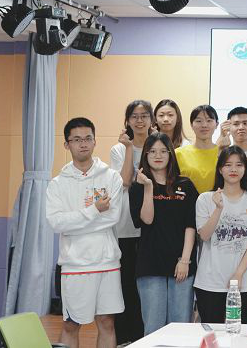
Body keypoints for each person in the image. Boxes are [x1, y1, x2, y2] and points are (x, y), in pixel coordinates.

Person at [47, 118, 124, 348]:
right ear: (67, 144)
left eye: (88, 138)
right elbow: (57, 223)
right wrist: (94, 210)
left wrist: (76, 221)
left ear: (94, 141)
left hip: (108, 262)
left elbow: (113, 217)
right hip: (75, 265)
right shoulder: (57, 184)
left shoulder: (111, 177)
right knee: (71, 325)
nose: (83, 144)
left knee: (107, 322)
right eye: (77, 139)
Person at [129, 132, 198, 335]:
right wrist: (148, 187)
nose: (158, 156)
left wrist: (185, 260)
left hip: (181, 265)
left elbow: (190, 226)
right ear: (145, 155)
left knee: (181, 327)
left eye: (163, 151)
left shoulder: (185, 185)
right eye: (152, 151)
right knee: (154, 326)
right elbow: (147, 219)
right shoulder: (138, 187)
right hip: (150, 265)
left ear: (170, 154)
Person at [194, 147, 247, 323]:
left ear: (245, 169)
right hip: (209, 283)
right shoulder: (205, 199)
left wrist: (238, 274)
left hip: (244, 283)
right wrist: (218, 208)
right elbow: (204, 235)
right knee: (214, 333)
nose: (233, 169)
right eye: (228, 165)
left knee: (241, 333)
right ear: (220, 169)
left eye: (239, 165)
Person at [109, 99, 152, 344]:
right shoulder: (118, 149)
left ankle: (147, 338)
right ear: (127, 121)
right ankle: (126, 339)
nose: (139, 120)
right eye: (134, 116)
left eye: (144, 115)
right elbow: (125, 181)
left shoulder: (159, 146)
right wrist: (128, 149)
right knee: (126, 286)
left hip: (150, 227)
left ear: (151, 119)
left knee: (147, 288)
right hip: (125, 226)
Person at [176, 105, 229, 193]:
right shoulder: (178, 153)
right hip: (187, 201)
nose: (204, 125)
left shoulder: (224, 153)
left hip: (218, 200)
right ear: (191, 125)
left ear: (216, 124)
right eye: (199, 121)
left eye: (209, 120)